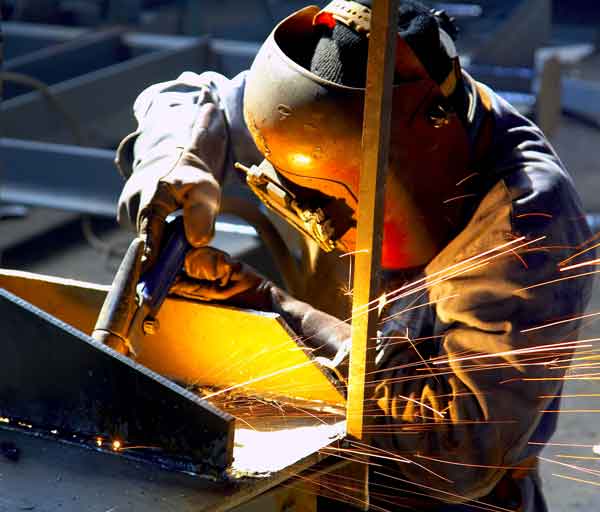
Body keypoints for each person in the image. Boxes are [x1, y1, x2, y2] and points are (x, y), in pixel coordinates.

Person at [115, 1, 594, 510]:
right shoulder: (333, 108)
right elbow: (193, 96)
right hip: (320, 447)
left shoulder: (524, 222)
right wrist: (179, 161)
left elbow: (461, 447)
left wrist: (275, 311)